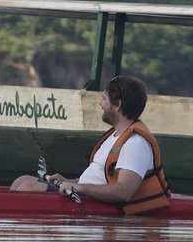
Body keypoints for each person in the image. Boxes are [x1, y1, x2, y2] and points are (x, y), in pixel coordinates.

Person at [10, 75, 170, 215]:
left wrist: (80, 188)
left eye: (104, 99)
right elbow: (98, 177)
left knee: (27, 187)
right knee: (21, 180)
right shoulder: (114, 136)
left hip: (96, 203)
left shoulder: (135, 143)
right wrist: (70, 181)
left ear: (118, 105)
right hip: (84, 194)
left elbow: (124, 192)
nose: (100, 104)